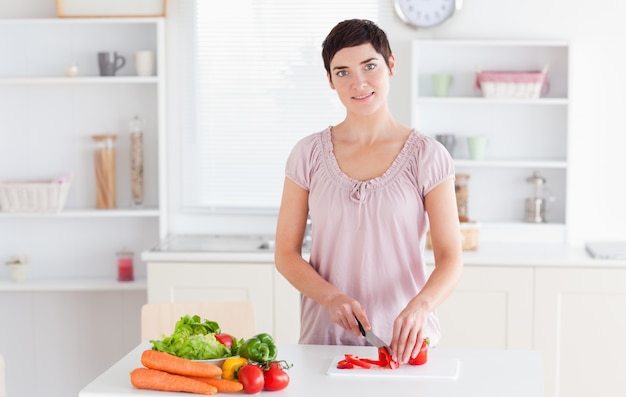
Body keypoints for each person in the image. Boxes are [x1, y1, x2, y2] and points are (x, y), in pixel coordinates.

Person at [274, 19, 463, 364]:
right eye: (342, 72)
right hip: (324, 343)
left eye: (369, 66)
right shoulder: (308, 154)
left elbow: (451, 258)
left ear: (391, 65)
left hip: (406, 345)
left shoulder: (428, 156)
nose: (358, 82)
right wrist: (330, 297)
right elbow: (285, 254)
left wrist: (421, 307)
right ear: (330, 81)